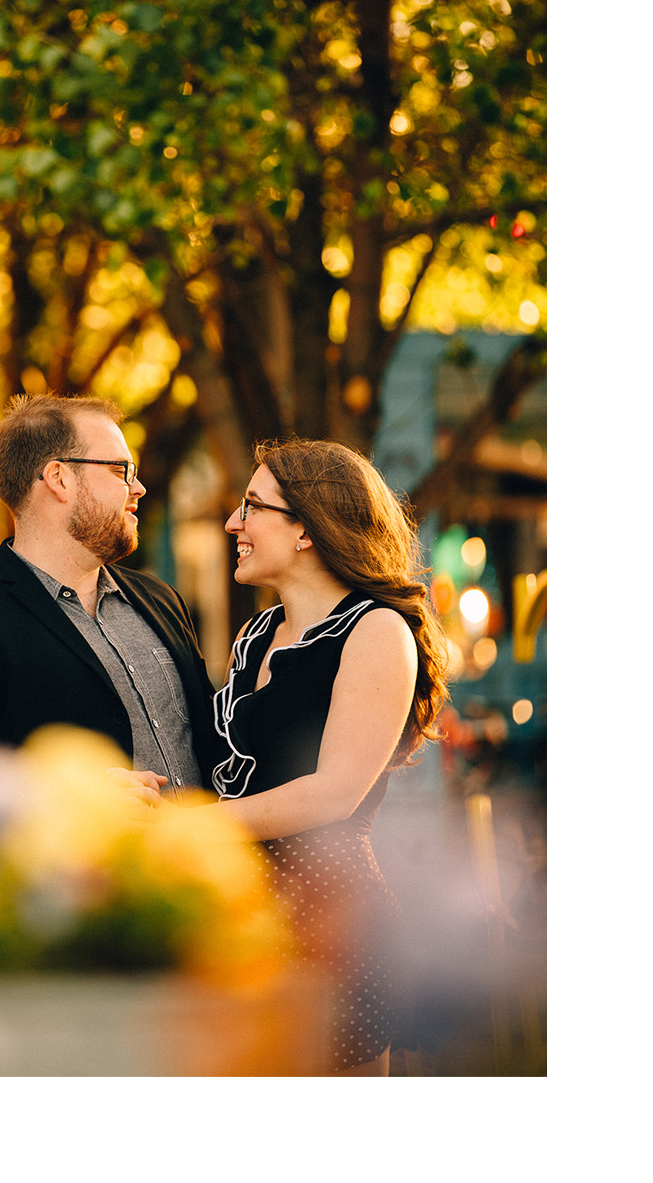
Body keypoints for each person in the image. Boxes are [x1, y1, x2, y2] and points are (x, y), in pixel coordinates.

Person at [192, 436, 447, 1076]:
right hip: (240, 917)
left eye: (252, 507)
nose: (233, 523)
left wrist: (190, 827)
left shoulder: (376, 631)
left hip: (328, 915)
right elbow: (235, 772)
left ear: (305, 527)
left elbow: (335, 792)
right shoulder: (255, 634)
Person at [0, 394, 214, 794]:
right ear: (59, 478)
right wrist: (76, 804)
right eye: (122, 470)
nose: (139, 487)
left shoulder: (162, 600)